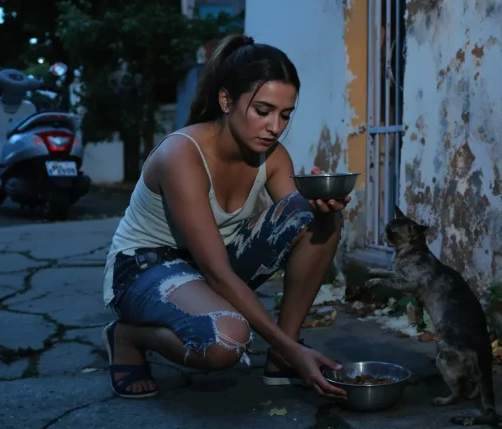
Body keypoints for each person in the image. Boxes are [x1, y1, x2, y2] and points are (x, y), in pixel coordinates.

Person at [100, 34, 350, 401]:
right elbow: (217, 270)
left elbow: (298, 224)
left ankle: (282, 355)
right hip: (144, 268)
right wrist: (300, 352)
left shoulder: (273, 156)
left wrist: (325, 210)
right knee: (227, 344)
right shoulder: (180, 155)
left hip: (212, 261)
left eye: (285, 115)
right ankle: (127, 336)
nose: (275, 127)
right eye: (262, 111)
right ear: (226, 100)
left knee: (310, 213)